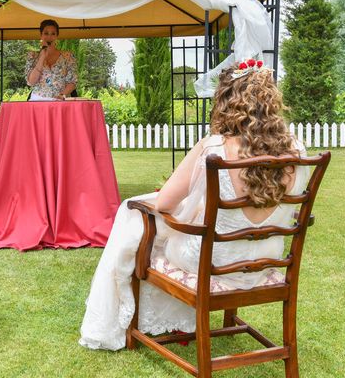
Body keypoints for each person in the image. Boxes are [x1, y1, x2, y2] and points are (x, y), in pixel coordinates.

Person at [79, 59, 310, 350]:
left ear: (228, 101)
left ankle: (143, 322)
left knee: (140, 218)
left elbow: (163, 202)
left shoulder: (213, 147)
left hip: (212, 264)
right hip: (266, 260)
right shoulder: (297, 149)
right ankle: (170, 321)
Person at [25, 19, 77, 101]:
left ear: (57, 36)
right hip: (37, 101)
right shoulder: (33, 56)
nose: (49, 36)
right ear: (41, 35)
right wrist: (41, 57)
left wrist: (62, 95)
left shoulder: (68, 56)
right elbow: (31, 82)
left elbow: (73, 81)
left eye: (53, 33)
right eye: (46, 33)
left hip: (59, 100)